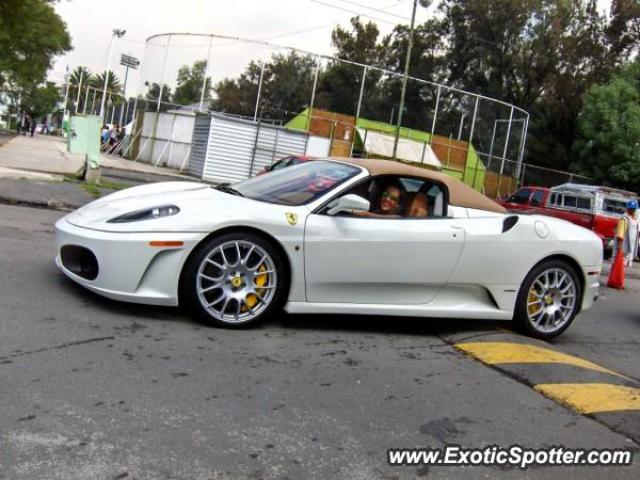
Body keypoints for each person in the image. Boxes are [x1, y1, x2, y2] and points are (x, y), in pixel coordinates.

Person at [612, 199, 639, 267]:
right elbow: (620, 235)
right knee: (618, 268)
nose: (632, 210)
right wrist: (620, 248)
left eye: (633, 209)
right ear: (627, 208)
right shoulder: (624, 219)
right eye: (630, 209)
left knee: (622, 268)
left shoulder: (633, 219)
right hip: (623, 249)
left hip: (627, 250)